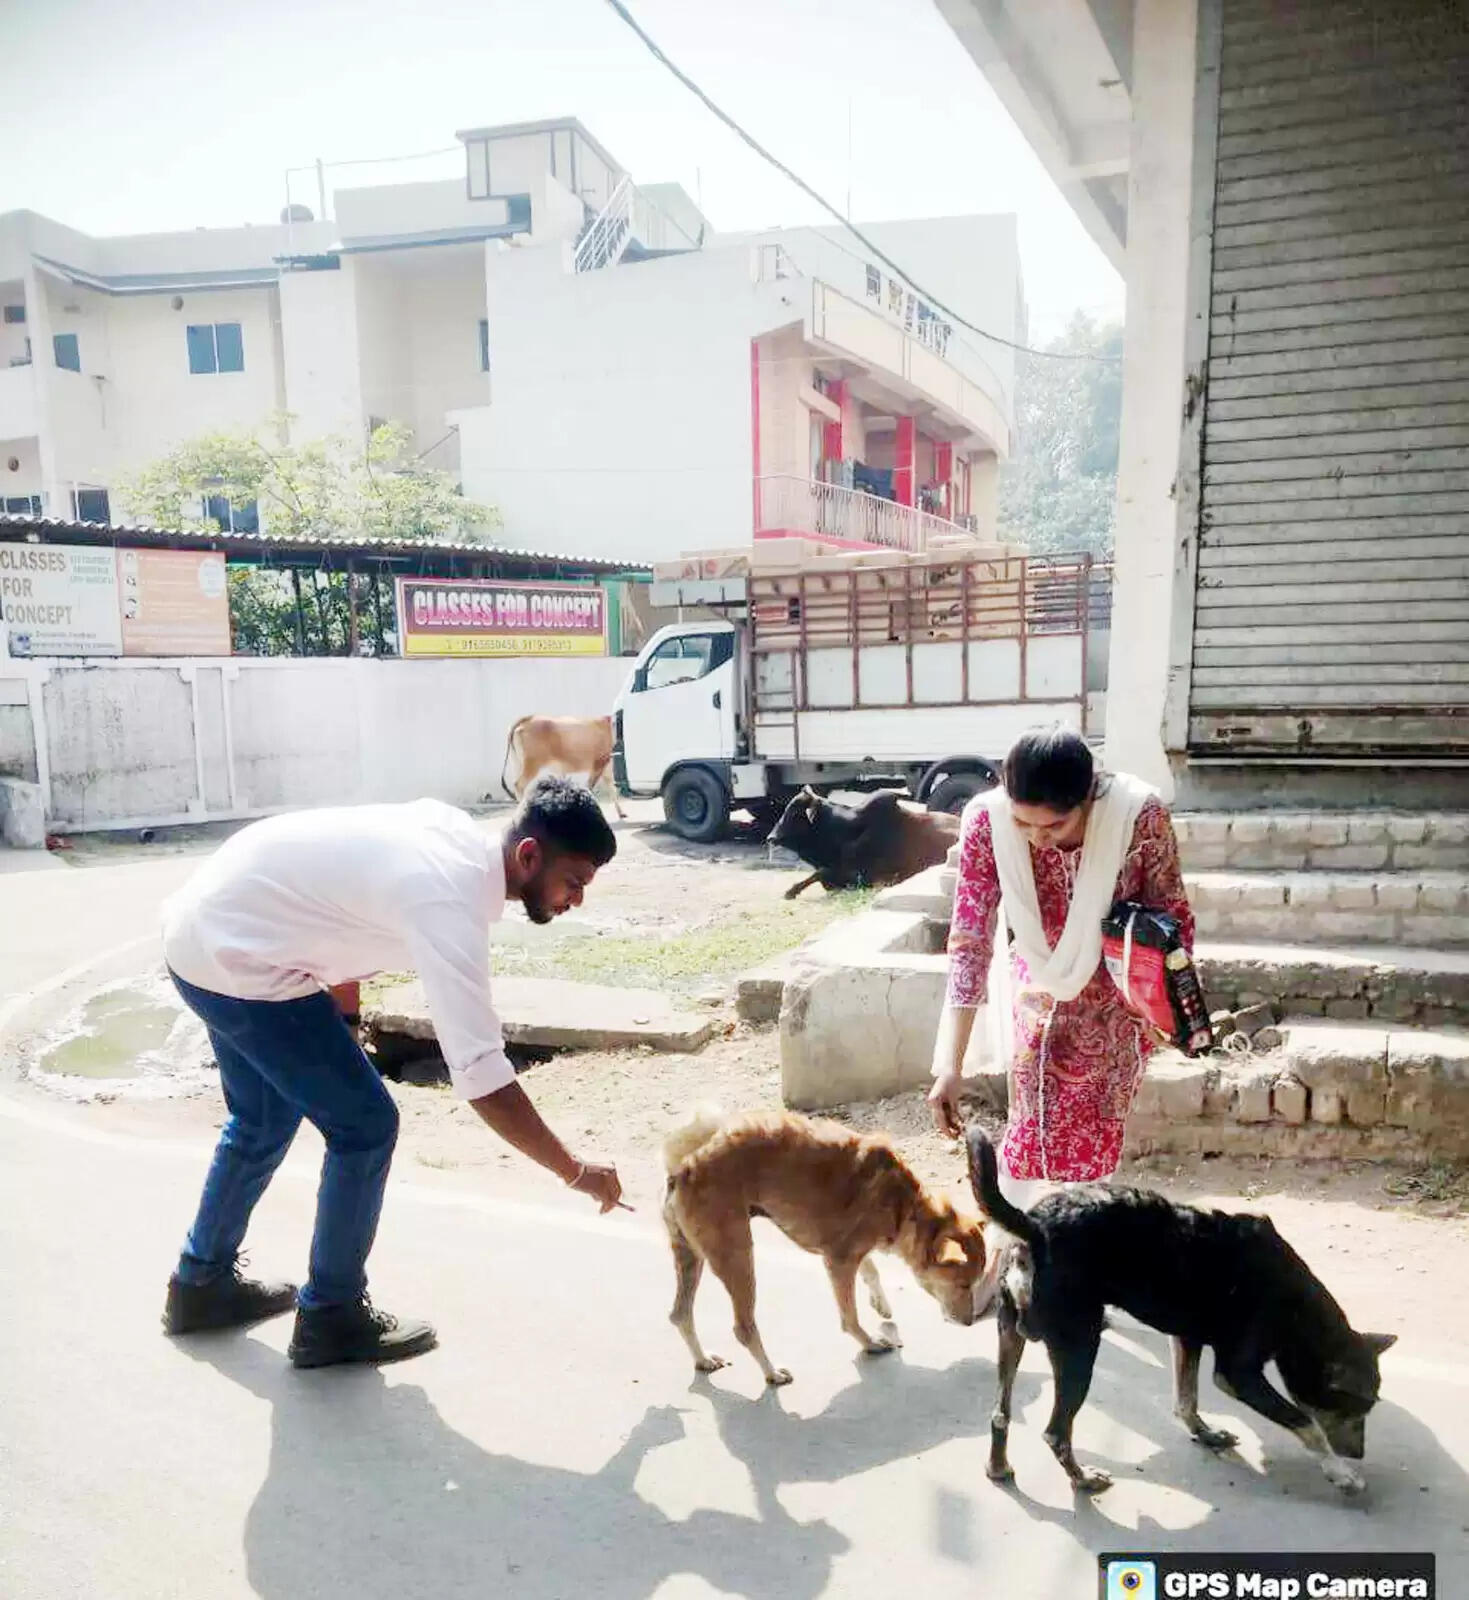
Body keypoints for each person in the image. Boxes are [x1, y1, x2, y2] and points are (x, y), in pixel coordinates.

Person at [159, 777, 623, 1368]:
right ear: (528, 856)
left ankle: (199, 1286)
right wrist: (573, 1170)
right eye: (574, 882)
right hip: (240, 955)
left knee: (263, 1115)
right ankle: (331, 1314)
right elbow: (481, 1076)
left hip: (205, 935)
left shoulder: (449, 833)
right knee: (365, 1125)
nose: (576, 899)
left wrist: (344, 1027)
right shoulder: (448, 902)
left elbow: (334, 915)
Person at [928, 725, 1193, 1209]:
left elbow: (1172, 917)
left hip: (1116, 1007)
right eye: (1023, 823)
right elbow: (970, 942)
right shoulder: (988, 823)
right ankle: (1012, 1254)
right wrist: (950, 1063)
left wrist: (1167, 1017)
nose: (1035, 839)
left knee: (1095, 1141)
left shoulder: (1138, 817)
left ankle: (1080, 1246)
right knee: (1030, 1126)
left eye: (1054, 827)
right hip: (1036, 988)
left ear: (1089, 799)